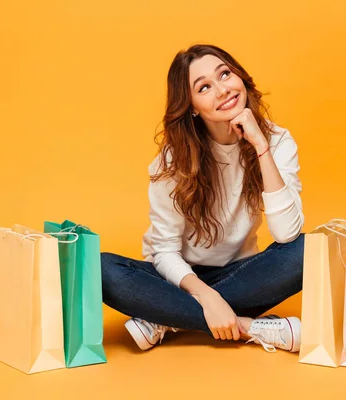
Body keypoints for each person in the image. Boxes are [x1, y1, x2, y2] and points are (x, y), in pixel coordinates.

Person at [101, 44, 305, 353]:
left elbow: (286, 233)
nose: (222, 90)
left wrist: (260, 146)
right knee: (101, 269)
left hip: (240, 274)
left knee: (305, 251)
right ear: (193, 106)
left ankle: (165, 317)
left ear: (240, 78)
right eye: (204, 87)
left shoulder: (277, 142)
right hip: (177, 277)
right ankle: (250, 328)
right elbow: (165, 251)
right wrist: (207, 297)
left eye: (225, 74)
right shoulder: (172, 161)